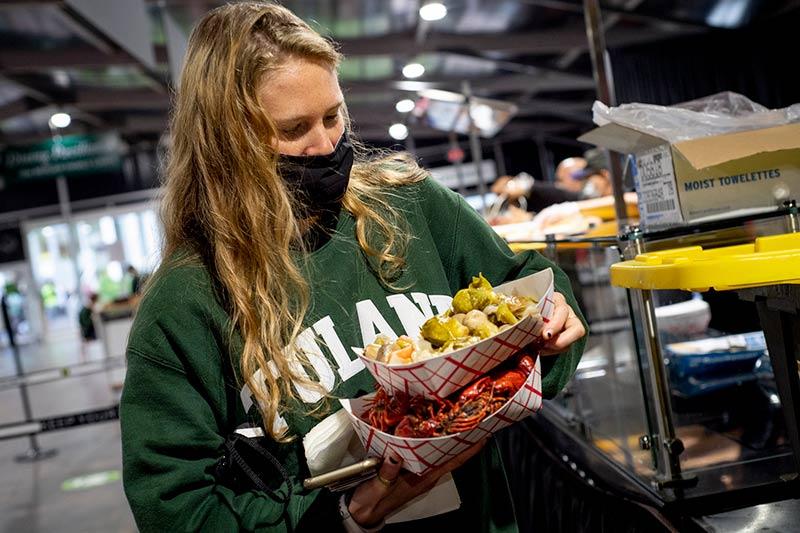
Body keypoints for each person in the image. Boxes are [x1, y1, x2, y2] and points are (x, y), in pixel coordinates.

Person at [120, 3, 587, 532]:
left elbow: (530, 290)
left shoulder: (412, 208)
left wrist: (553, 327)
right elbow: (176, 508)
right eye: (293, 128)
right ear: (226, 144)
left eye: (333, 115)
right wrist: (344, 517)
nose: (325, 145)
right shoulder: (187, 302)